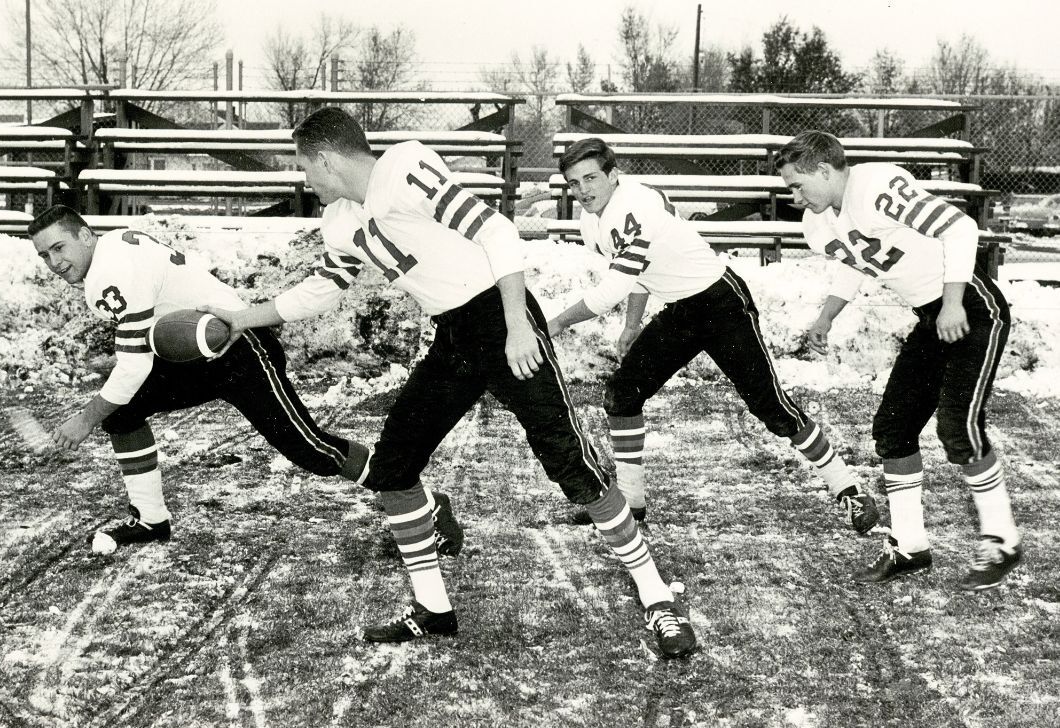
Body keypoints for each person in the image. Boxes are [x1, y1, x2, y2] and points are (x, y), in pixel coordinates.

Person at [200, 108, 696, 657]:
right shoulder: (339, 218)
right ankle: (433, 608)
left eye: (306, 168)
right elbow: (323, 289)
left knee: (568, 461)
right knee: (394, 463)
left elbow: (499, 230)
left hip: (498, 316)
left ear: (325, 157)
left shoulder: (405, 166)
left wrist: (516, 327)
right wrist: (243, 317)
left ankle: (657, 597)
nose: (306, 181)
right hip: (455, 334)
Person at [27, 205, 462, 557]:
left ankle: (424, 504)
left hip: (239, 348)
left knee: (308, 449)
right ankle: (150, 519)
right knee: (123, 413)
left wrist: (83, 420)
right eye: (44, 255)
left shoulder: (109, 271)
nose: (53, 262)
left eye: (58, 247)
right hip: (196, 355)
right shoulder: (114, 244)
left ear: (85, 235)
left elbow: (133, 367)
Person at [547, 138, 877, 534]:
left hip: (719, 302)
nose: (583, 191)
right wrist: (632, 325)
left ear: (614, 174)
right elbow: (637, 274)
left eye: (591, 178)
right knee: (623, 394)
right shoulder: (593, 220)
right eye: (574, 183)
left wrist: (558, 322)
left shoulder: (634, 206)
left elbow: (611, 290)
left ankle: (849, 489)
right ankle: (631, 503)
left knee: (769, 405)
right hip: (682, 310)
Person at [775, 130, 1021, 591]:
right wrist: (827, 316)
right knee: (894, 428)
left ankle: (1003, 541)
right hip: (931, 316)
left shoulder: (875, 187)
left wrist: (951, 303)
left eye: (798, 184)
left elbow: (960, 228)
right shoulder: (820, 220)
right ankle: (910, 547)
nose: (794, 196)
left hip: (969, 306)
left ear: (825, 170)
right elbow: (854, 260)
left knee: (958, 427)